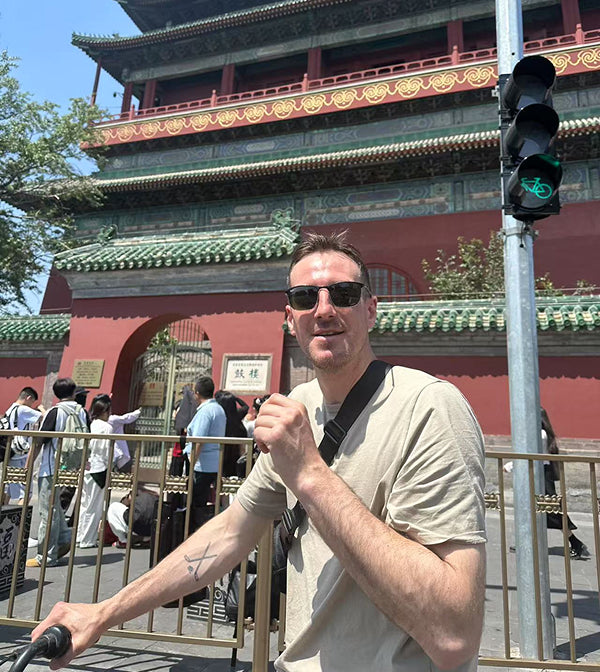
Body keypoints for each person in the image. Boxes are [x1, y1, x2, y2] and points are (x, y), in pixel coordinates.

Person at [33, 232, 486, 672]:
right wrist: (104, 612)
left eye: (344, 294)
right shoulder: (299, 406)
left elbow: (452, 636)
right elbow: (231, 533)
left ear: (371, 310)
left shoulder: (429, 407)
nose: (324, 309)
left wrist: (309, 472)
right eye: (307, 298)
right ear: (290, 318)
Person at [26, 377, 89, 568]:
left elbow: (39, 441)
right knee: (56, 508)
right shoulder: (82, 412)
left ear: (55, 394)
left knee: (47, 512)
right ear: (73, 393)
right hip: (70, 468)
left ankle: (46, 555)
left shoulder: (55, 412)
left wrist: (29, 466)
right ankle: (64, 538)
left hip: (51, 467)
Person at [541, 407, 589, 559]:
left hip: (542, 475)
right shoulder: (543, 434)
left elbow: (530, 454)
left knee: (553, 511)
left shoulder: (539, 435)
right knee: (535, 510)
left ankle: (576, 543)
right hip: (541, 473)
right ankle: (528, 542)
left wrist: (509, 466)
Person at [76, 395, 113, 549]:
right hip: (99, 468)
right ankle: (88, 539)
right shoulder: (106, 427)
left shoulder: (89, 423)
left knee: (85, 504)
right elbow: (107, 451)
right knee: (94, 506)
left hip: (86, 467)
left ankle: (79, 535)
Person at [184, 377, 226, 507]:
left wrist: (192, 463)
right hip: (214, 462)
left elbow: (198, 440)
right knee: (206, 503)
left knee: (196, 504)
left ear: (197, 393)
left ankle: (196, 527)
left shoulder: (205, 412)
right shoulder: (218, 409)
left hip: (202, 465)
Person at [2, 386, 41, 505]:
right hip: (20, 455)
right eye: (32, 402)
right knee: (25, 492)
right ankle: (20, 521)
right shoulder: (23, 409)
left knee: (8, 487)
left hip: (10, 452)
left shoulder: (10, 409)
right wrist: (41, 408)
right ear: (28, 398)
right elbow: (44, 417)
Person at [214, 390, 248, 477]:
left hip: (223, 452)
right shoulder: (237, 415)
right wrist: (235, 398)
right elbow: (246, 406)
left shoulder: (219, 417)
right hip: (236, 453)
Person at [108, 402, 141, 473]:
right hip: (118, 449)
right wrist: (139, 411)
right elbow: (126, 418)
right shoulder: (112, 419)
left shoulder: (97, 421)